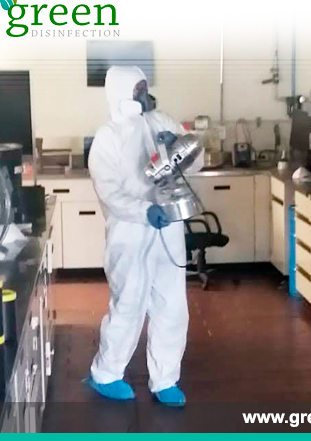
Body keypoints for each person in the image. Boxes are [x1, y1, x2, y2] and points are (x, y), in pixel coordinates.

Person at [86, 66, 202, 408]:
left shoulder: (160, 120)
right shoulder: (108, 137)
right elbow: (109, 192)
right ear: (120, 92)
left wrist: (177, 144)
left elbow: (196, 160)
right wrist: (143, 211)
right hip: (131, 234)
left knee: (172, 306)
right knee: (129, 304)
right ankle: (106, 373)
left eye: (144, 88)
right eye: (136, 89)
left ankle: (165, 379)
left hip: (168, 230)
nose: (143, 95)